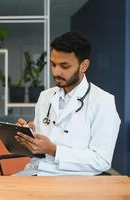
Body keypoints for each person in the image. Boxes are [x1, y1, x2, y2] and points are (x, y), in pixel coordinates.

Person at [15, 31, 121, 176]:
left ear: (84, 66)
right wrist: (28, 135)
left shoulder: (103, 102)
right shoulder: (45, 97)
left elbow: (101, 160)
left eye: (64, 66)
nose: (56, 72)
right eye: (53, 64)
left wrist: (53, 150)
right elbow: (38, 150)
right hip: (36, 172)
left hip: (75, 180)